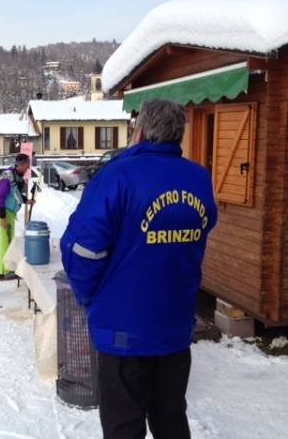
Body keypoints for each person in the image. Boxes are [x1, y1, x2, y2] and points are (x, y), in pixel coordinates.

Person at [61, 99, 218, 439]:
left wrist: (90, 297)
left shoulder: (117, 176)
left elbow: (83, 249)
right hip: (174, 325)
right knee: (171, 417)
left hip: (123, 332)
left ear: (141, 132)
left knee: (123, 426)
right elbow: (202, 231)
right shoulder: (199, 179)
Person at [0, 154, 35, 279]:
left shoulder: (16, 176)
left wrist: (26, 200)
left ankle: (7, 269)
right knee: (4, 242)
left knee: (9, 242)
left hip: (9, 212)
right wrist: (3, 217)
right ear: (20, 165)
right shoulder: (7, 177)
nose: (28, 168)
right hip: (3, 212)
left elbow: (14, 192)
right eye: (27, 165)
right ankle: (2, 272)